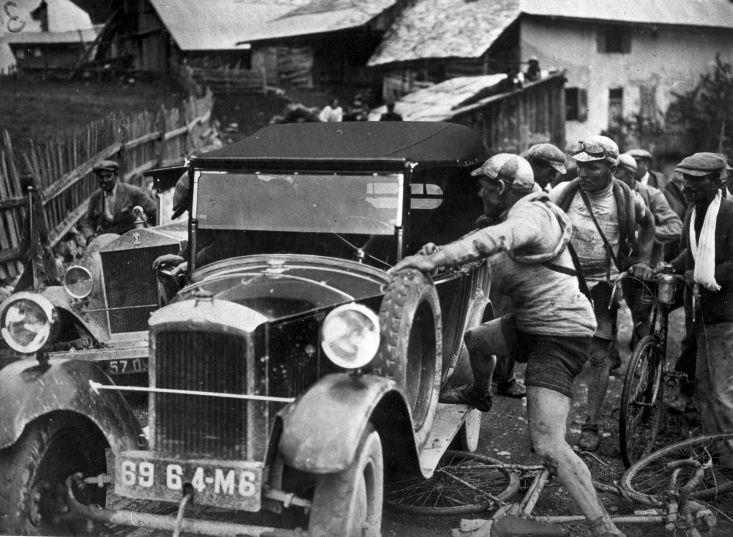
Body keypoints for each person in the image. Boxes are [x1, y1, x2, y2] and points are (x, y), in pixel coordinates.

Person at [390, 154, 626, 537]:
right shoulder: (513, 213)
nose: (479, 192)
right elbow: (482, 240)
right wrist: (442, 250)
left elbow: (496, 240)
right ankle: (481, 395)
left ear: (501, 188)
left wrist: (432, 261)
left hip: (560, 335)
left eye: (484, 186)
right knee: (477, 340)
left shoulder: (531, 216)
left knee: (548, 443)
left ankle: (604, 528)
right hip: (530, 324)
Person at [549, 136, 655, 452]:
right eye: (579, 165)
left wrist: (643, 262)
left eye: (591, 167)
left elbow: (648, 224)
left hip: (603, 288)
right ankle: (551, 428)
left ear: (610, 167)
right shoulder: (561, 193)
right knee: (557, 353)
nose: (583, 172)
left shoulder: (627, 198)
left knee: (598, 356)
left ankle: (591, 424)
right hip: (564, 283)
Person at [670, 152, 733, 459]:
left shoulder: (730, 212)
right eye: (685, 179)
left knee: (722, 392)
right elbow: (692, 254)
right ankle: (718, 457)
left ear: (718, 181)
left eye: (696, 180)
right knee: (704, 389)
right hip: (701, 315)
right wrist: (668, 267)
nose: (687, 186)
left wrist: (706, 275)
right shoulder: (695, 212)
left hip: (725, 316)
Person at [615, 153, 683, 348]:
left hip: (647, 266)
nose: (612, 176)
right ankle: (618, 357)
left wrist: (643, 234)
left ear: (630, 173)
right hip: (620, 265)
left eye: (616, 171)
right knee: (619, 308)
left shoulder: (652, 194)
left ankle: (643, 364)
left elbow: (675, 226)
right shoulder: (610, 195)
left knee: (642, 313)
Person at [80, 160, 157, 244]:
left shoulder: (132, 192)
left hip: (132, 241)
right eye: (101, 177)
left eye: (108, 176)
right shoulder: (95, 198)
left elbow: (154, 211)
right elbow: (88, 221)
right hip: (108, 243)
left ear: (116, 176)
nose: (104, 180)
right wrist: (90, 237)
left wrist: (155, 233)